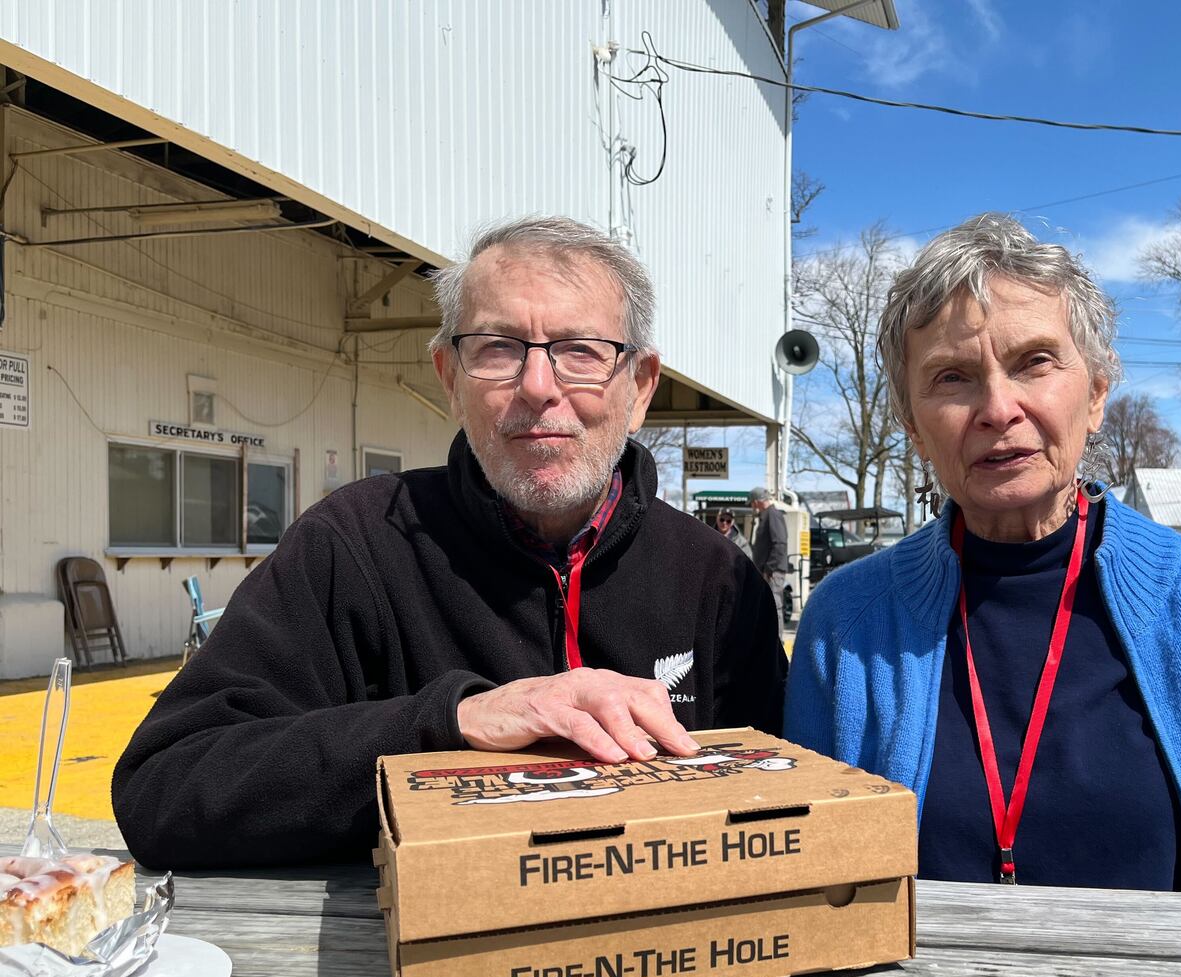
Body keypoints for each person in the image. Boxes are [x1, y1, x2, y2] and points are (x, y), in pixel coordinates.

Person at [113, 216, 787, 869]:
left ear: (639, 387)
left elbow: (783, 804)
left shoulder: (718, 582)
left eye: (581, 351)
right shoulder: (352, 546)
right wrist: (450, 721)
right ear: (449, 379)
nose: (538, 387)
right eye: (498, 348)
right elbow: (164, 787)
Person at [785, 213, 1181, 898]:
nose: (997, 407)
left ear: (1097, 393)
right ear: (914, 427)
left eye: (1033, 362)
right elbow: (810, 893)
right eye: (952, 377)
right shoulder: (848, 623)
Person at [749, 486, 789, 621]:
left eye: (752, 502)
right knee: (767, 608)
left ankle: (776, 641)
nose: (752, 506)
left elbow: (780, 544)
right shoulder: (767, 515)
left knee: (774, 607)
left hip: (772, 573)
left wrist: (768, 569)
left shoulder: (772, 515)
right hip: (768, 572)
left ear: (756, 501)